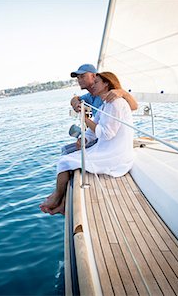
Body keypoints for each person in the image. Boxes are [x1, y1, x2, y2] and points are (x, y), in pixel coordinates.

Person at [40, 72, 134, 215]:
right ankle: (63, 204)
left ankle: (56, 198)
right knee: (68, 157)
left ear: (106, 84)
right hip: (105, 148)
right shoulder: (104, 105)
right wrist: (84, 139)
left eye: (96, 83)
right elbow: (92, 129)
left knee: (64, 162)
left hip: (116, 154)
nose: (93, 85)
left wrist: (84, 119)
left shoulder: (116, 103)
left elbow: (107, 134)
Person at [61, 64, 137, 155]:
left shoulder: (113, 96)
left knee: (68, 155)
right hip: (98, 136)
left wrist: (123, 93)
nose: (79, 80)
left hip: (111, 141)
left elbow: (134, 107)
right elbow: (76, 99)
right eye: (78, 78)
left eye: (82, 76)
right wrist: (75, 102)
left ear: (93, 76)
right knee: (65, 150)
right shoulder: (90, 96)